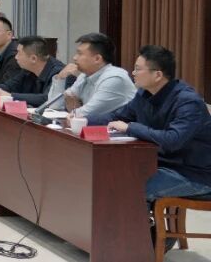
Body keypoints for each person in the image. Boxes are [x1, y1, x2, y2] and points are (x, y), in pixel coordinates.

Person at [90, 46, 211, 208]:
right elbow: (116, 117)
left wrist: (131, 127)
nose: (133, 73)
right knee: (111, 175)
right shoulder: (143, 95)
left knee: (128, 185)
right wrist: (82, 120)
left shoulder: (188, 102)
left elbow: (172, 140)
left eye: (138, 69)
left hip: (193, 174)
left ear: (157, 75)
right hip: (159, 165)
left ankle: (136, 225)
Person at [45, 32, 136, 118]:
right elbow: (54, 106)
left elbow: (87, 114)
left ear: (97, 59)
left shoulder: (114, 78)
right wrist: (60, 78)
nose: (74, 58)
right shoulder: (84, 75)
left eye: (79, 54)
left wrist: (74, 110)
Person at [0, 36, 69, 107]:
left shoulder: (59, 72)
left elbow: (48, 99)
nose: (16, 57)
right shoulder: (27, 70)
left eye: (19, 53)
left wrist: (10, 95)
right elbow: (10, 86)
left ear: (33, 58)